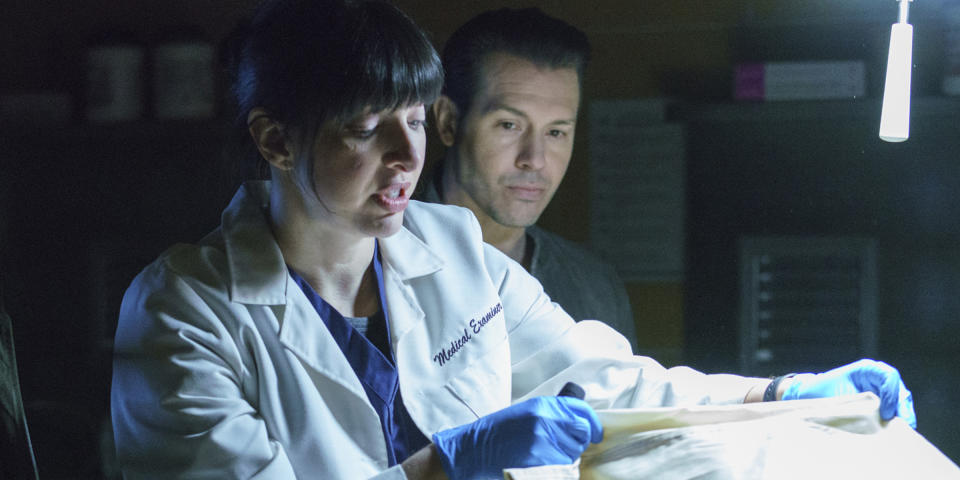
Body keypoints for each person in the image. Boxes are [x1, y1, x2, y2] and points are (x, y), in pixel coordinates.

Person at [110, 1, 915, 479]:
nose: (406, 158)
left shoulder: (453, 251)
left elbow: (615, 384)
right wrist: (447, 466)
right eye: (365, 129)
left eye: (417, 123)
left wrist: (782, 394)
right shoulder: (186, 311)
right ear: (276, 140)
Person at [419, 8, 638, 351]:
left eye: (556, 132)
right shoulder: (371, 262)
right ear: (448, 122)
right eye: (510, 125)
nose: (534, 159)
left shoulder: (595, 289)